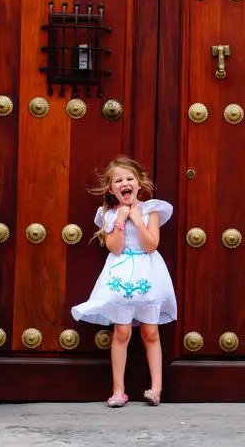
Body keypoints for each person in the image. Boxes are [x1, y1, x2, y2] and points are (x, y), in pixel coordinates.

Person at [71, 156, 177, 408]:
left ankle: (156, 389)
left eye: (129, 179)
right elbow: (114, 248)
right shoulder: (108, 214)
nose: (125, 183)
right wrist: (120, 221)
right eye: (118, 180)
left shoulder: (151, 210)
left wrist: (138, 221)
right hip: (120, 275)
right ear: (111, 189)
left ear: (139, 184)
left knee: (151, 332)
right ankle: (119, 390)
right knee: (122, 331)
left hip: (148, 273)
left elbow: (152, 245)